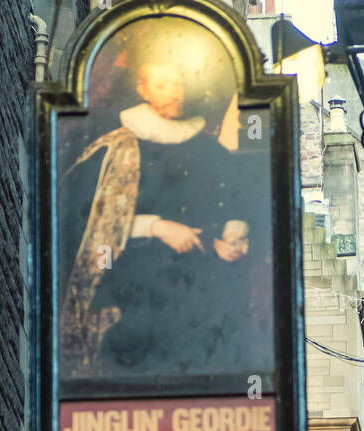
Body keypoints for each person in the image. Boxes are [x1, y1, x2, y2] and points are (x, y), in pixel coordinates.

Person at [59, 57, 258, 380]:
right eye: (162, 85)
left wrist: (235, 232)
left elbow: (237, 200)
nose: (174, 93)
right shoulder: (116, 144)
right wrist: (155, 227)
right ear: (143, 89)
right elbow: (85, 218)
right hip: (134, 286)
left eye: (178, 84)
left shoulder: (209, 148)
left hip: (202, 288)